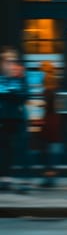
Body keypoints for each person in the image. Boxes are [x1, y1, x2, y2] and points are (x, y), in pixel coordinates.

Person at [0, 47, 30, 194]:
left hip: (18, 117)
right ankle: (5, 180)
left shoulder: (20, 72)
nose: (8, 61)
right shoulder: (1, 75)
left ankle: (25, 181)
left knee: (21, 149)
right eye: (6, 58)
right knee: (5, 150)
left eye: (11, 58)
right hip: (4, 117)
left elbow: (25, 93)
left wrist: (12, 94)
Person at [39, 60, 62, 188]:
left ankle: (48, 178)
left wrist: (40, 104)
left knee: (47, 151)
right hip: (54, 121)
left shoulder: (48, 88)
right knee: (51, 150)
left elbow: (46, 104)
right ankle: (51, 177)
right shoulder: (55, 85)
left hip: (48, 122)